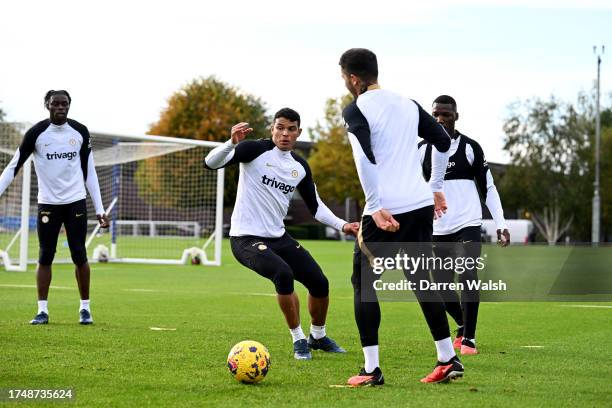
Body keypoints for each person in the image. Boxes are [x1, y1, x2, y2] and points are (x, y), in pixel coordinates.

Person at [339, 48, 464, 385]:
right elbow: (443, 140)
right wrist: (435, 185)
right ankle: (447, 358)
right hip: (420, 205)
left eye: (343, 77)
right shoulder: (408, 104)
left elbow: (363, 156)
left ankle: (371, 369)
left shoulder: (355, 109)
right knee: (421, 280)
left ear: (352, 78)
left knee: (363, 282)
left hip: (386, 207)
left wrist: (376, 205)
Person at [204, 108, 360, 360]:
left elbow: (316, 206)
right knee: (283, 274)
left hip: (279, 238)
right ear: (272, 128)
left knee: (319, 283)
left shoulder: (299, 166)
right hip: (245, 238)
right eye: (280, 127)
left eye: (290, 129)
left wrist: (344, 225)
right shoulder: (254, 149)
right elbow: (211, 163)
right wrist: (231, 142)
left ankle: (318, 336)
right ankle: (299, 339)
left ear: (298, 132)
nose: (284, 133)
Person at [0, 90, 109, 325]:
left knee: (79, 254)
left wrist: (100, 209)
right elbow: (13, 167)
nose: (60, 107)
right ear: (47, 106)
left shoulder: (79, 131)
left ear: (69, 106)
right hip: (48, 204)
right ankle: (42, 310)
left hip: (76, 202)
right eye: (55, 104)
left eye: (64, 104)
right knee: (45, 256)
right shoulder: (36, 133)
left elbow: (89, 172)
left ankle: (85, 309)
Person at [419, 95, 510, 355]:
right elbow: (412, 188)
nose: (440, 119)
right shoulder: (421, 150)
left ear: (456, 116)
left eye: (446, 114)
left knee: (468, 275)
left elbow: (488, 188)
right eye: (435, 114)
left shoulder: (470, 148)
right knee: (439, 284)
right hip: (437, 229)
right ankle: (461, 323)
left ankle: (469, 339)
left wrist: (500, 223)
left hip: (468, 224)